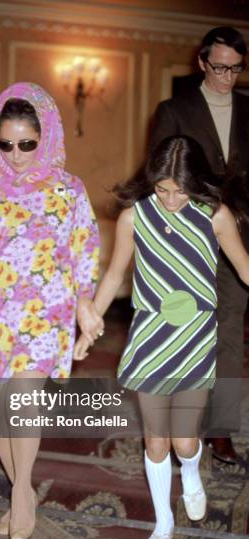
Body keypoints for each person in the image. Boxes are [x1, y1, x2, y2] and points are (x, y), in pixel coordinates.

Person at [74, 136, 249, 539]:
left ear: (196, 183)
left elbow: (244, 267)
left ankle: (191, 471)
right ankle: (163, 522)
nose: (170, 199)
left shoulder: (215, 216)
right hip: (149, 340)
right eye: (162, 189)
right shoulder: (135, 217)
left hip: (193, 341)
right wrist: (90, 326)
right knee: (156, 442)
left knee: (184, 442)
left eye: (180, 190)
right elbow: (115, 274)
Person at [0, 82, 101, 539]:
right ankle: (25, 490)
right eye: (7, 144)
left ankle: (19, 496)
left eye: (27, 144)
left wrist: (85, 303)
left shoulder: (68, 190)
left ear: (47, 135)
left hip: (45, 312)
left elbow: (85, 250)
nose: (16, 154)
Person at [149, 26, 249, 464]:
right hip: (187, 239)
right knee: (182, 329)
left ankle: (222, 430)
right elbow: (159, 173)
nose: (228, 77)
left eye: (237, 69)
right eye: (221, 67)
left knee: (228, 332)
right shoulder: (175, 109)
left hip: (238, 235)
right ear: (202, 63)